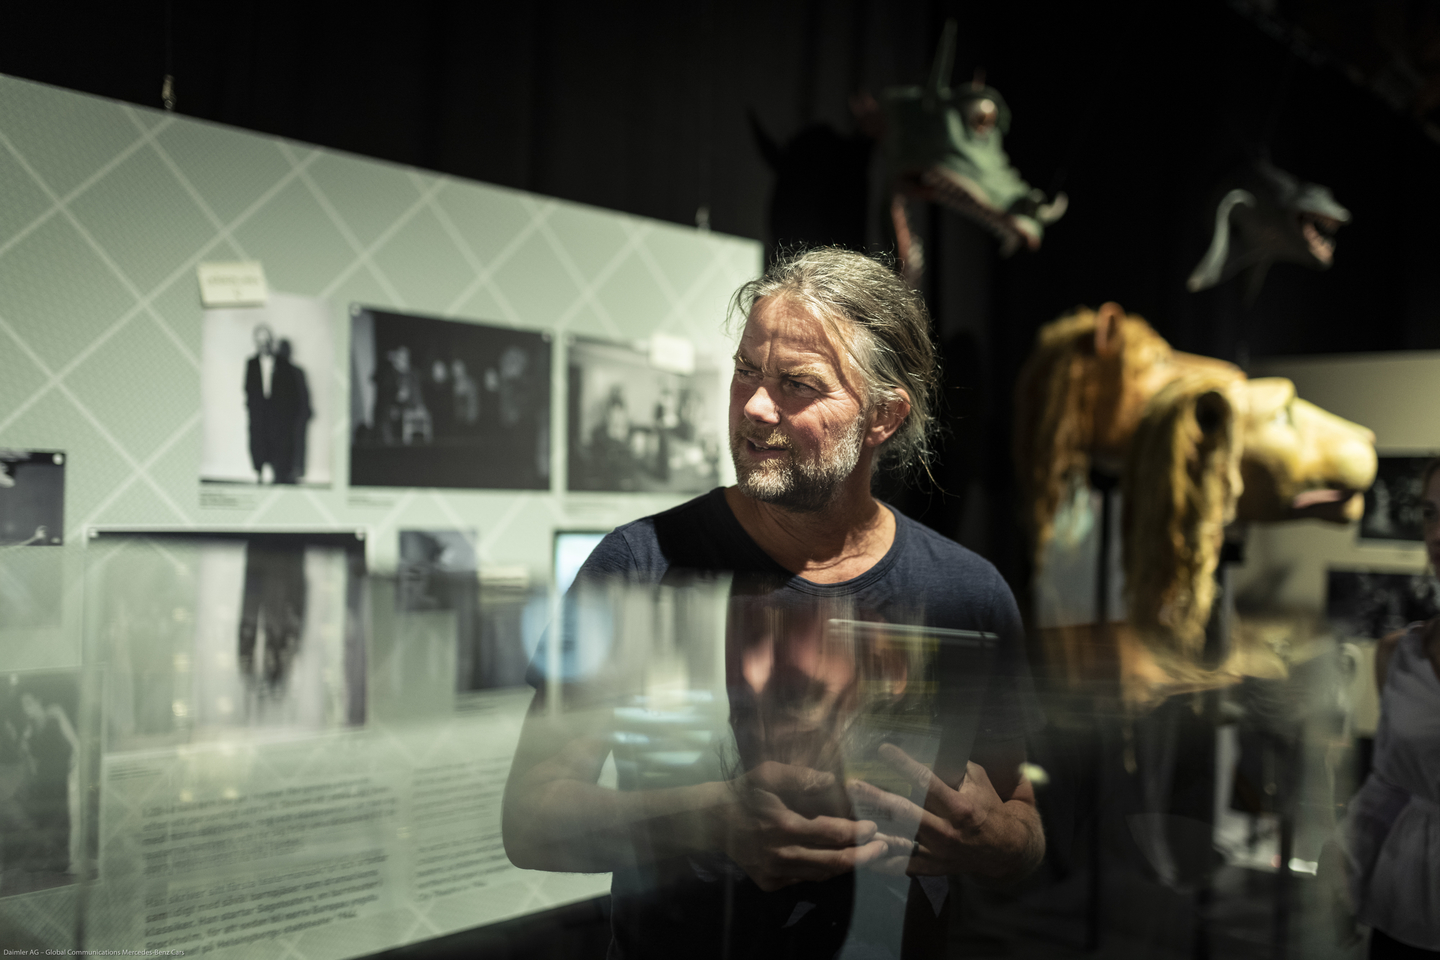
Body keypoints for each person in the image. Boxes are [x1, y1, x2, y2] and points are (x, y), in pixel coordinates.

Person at [503, 247, 1044, 959]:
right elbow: (532, 818)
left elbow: (1024, 825)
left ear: (882, 417)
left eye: (797, 384)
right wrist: (714, 818)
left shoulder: (967, 593)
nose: (756, 406)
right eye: (746, 371)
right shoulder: (640, 567)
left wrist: (989, 840)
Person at [1342, 457, 1440, 957]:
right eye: (1430, 513)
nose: (1438, 533)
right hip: (1400, 901)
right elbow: (1387, 786)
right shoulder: (1398, 655)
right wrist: (1343, 884)